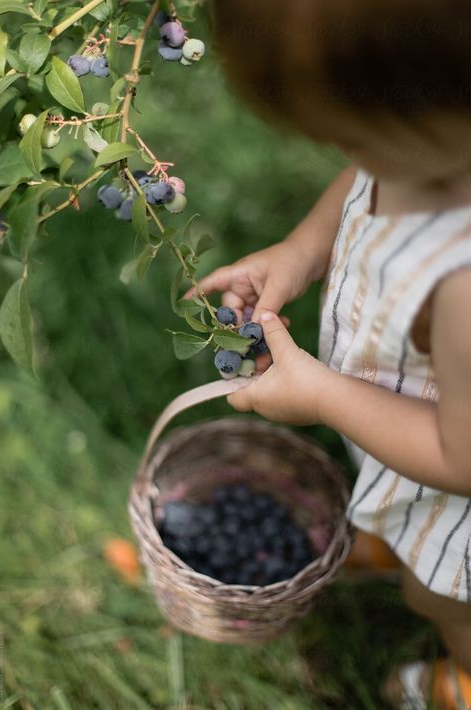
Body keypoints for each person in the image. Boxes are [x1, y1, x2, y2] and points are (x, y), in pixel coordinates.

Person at [185, 0, 471, 706]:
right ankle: (393, 526)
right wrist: (304, 251)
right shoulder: (431, 145)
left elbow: (462, 459)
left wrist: (321, 397)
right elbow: (364, 182)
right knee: (406, 533)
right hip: (407, 447)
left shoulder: (463, 285)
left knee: (439, 597)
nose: (351, 159)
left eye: (361, 140)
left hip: (454, 491)